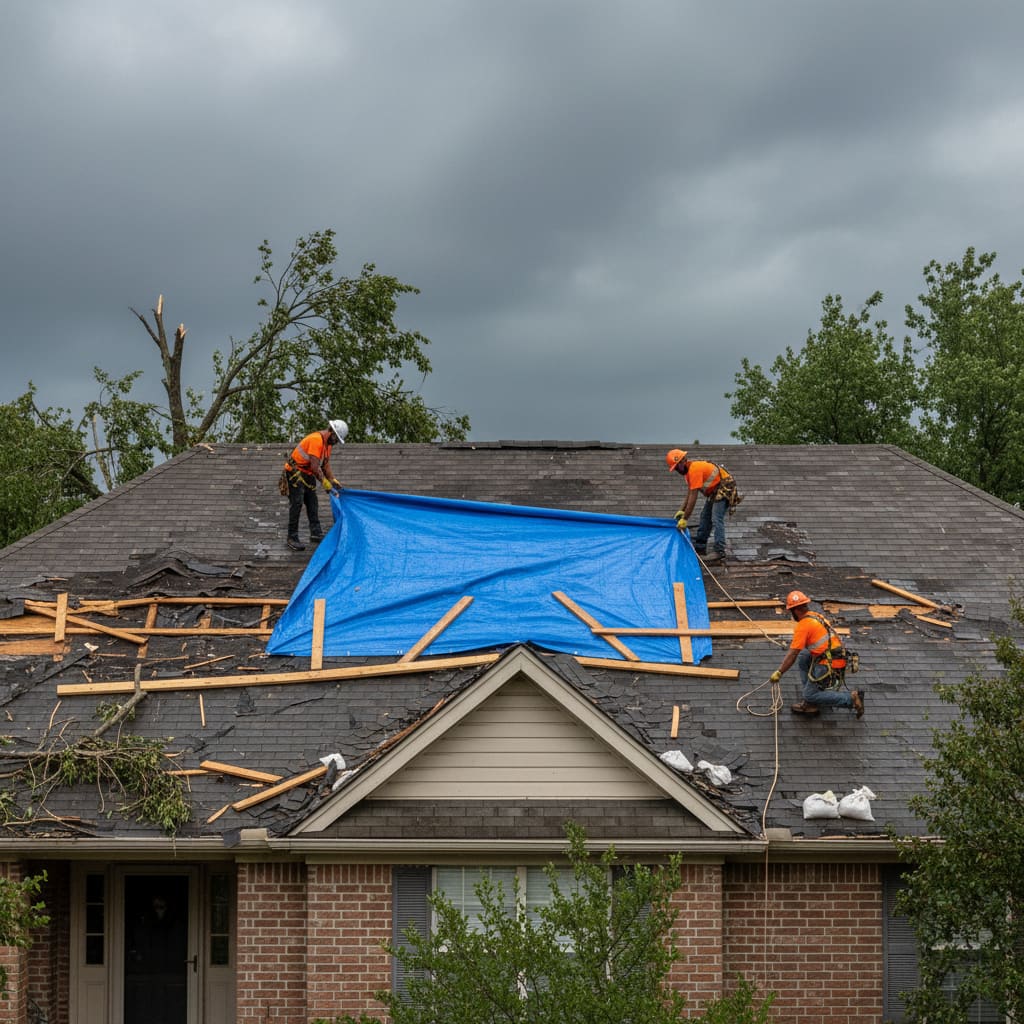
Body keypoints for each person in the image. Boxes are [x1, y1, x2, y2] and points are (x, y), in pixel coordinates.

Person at [770, 590, 864, 718]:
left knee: (809, 695)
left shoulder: (803, 626)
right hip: (834, 657)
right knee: (804, 657)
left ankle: (851, 699)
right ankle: (811, 702)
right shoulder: (815, 616)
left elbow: (792, 654)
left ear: (795, 611)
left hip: (829, 663)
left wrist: (779, 672)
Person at [665, 449, 741, 563]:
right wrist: (681, 510)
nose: (677, 470)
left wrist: (685, 518)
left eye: (677, 467)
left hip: (724, 487)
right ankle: (700, 547)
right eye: (675, 468)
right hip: (714, 491)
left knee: (716, 518)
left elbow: (693, 498)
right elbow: (689, 493)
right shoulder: (688, 474)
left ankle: (719, 551)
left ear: (683, 461)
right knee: (705, 517)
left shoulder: (694, 470)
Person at [283, 418, 347, 550]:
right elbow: (314, 467)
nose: (336, 443)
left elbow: (325, 465)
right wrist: (325, 483)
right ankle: (292, 537)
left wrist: (332, 480)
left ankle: (316, 533)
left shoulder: (327, 444)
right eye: (337, 439)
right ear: (332, 433)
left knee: (313, 502)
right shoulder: (316, 440)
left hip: (307, 473)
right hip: (295, 472)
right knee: (297, 503)